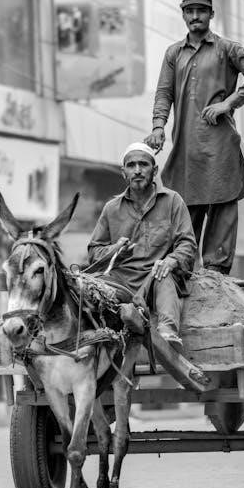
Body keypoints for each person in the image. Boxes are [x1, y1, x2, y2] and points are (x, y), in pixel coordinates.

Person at [145, 0, 244, 274]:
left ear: (211, 14)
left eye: (201, 11)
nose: (195, 16)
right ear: (183, 15)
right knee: (184, 211)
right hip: (186, 147)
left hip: (220, 144)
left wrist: (229, 103)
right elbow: (164, 93)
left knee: (222, 203)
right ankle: (182, 270)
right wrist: (158, 126)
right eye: (189, 11)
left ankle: (216, 273)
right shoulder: (174, 53)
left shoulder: (227, 49)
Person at [87, 142, 197, 351]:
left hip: (156, 277)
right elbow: (93, 252)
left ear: (154, 170)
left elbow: (187, 243)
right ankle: (95, 339)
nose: (137, 170)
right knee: (91, 288)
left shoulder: (173, 201)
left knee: (163, 275)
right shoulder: (111, 208)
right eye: (131, 165)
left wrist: (171, 260)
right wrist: (115, 250)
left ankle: (167, 333)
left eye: (143, 164)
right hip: (121, 282)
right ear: (124, 172)